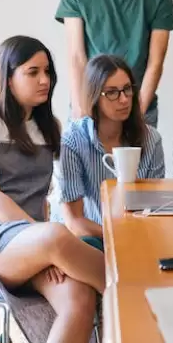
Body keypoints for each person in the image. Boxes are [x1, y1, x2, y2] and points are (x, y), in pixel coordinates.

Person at [0, 36, 102, 343]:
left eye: (48, 72)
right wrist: (41, 240)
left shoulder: (46, 127)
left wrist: (42, 245)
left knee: (79, 296)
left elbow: (40, 200)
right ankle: (138, 295)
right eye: (33, 72)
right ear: (7, 77)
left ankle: (130, 295)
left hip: (29, 247)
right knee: (55, 234)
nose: (45, 80)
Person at [52, 54, 165, 251]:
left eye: (127, 90)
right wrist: (117, 234)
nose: (123, 99)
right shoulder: (72, 140)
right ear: (94, 96)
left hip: (137, 236)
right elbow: (75, 222)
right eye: (112, 92)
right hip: (88, 240)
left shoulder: (151, 139)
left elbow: (154, 209)